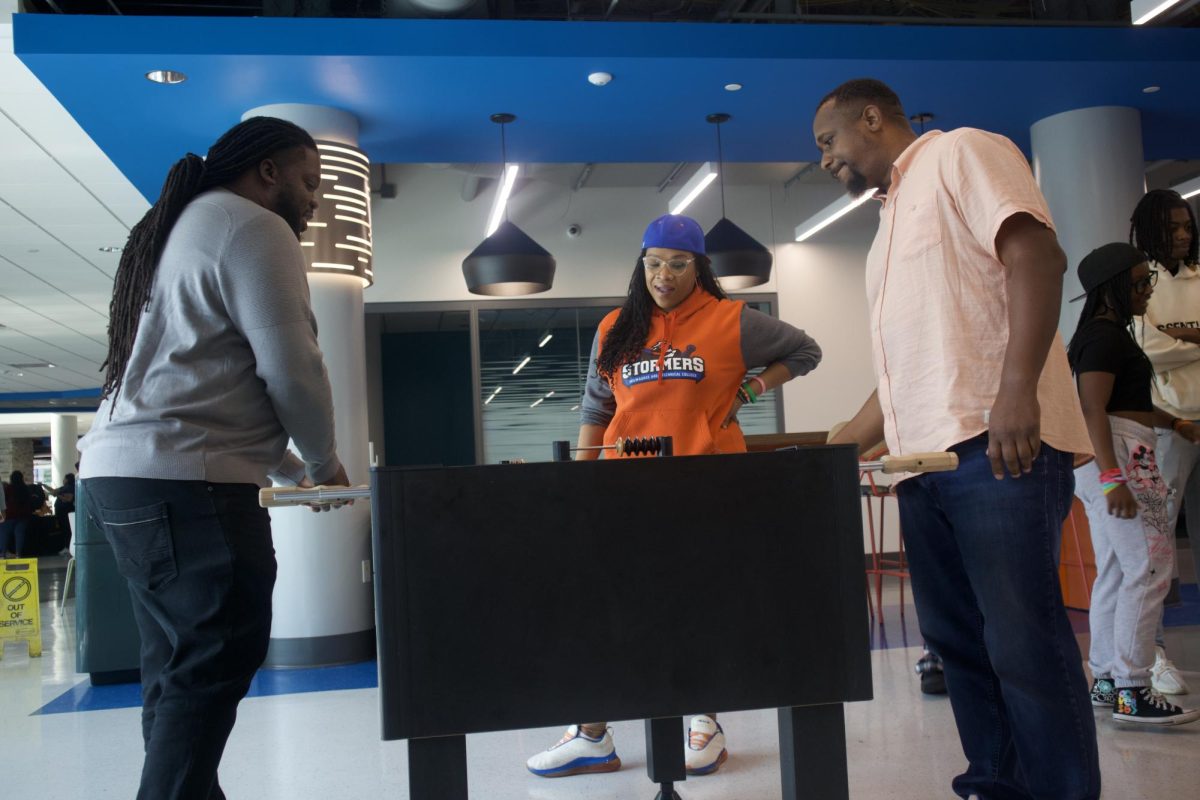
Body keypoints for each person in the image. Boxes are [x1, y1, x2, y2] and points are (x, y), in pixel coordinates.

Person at [815, 78, 1100, 799]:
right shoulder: (888, 226)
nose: (824, 160)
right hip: (924, 465)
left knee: (1022, 642)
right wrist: (847, 438)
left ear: (871, 118)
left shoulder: (961, 153)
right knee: (960, 647)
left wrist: (1015, 394)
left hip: (997, 446)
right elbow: (915, 359)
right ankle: (996, 784)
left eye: (828, 141)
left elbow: (1037, 257)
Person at [77, 116, 351, 800]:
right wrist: (323, 461)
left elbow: (208, 377)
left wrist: (285, 466)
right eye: (309, 181)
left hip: (124, 477)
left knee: (177, 673)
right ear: (268, 172)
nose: (315, 200)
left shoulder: (179, 226)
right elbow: (292, 368)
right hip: (188, 487)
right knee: (211, 666)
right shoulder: (257, 227)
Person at [524, 214, 822, 779]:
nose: (664, 274)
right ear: (641, 265)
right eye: (654, 262)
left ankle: (704, 723)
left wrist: (752, 388)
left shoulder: (732, 322)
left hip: (706, 490)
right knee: (606, 609)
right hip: (624, 489)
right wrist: (582, 483)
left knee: (696, 609)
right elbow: (596, 408)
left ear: (699, 267)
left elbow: (806, 351)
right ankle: (591, 734)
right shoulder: (615, 326)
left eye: (678, 264)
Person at [1067, 242, 1200, 726]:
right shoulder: (1103, 338)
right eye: (1140, 283)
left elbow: (1124, 401)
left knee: (1120, 571)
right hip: (1119, 456)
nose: (1147, 290)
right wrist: (1111, 478)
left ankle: (1106, 678)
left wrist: (1175, 423)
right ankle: (1133, 688)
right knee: (1149, 568)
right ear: (1113, 289)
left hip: (1123, 448)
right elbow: (1091, 409)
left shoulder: (1103, 335)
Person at [1130, 189, 1200, 695]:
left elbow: (1164, 343)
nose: (1182, 234)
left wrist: (1182, 339)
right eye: (1172, 227)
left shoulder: (1198, 276)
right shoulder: (1141, 282)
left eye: (1186, 225)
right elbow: (1146, 347)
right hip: (1169, 426)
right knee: (1156, 545)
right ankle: (1150, 653)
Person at [0, 471, 35, 558]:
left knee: (4, 534)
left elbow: (3, 501)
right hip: (23, 516)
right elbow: (29, 502)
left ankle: (3, 553)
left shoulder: (8, 488)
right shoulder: (25, 488)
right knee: (19, 534)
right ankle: (18, 554)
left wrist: (3, 513)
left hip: (10, 515)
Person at [43, 473, 76, 555]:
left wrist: (58, 495)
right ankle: (66, 547)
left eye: (64, 478)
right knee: (65, 529)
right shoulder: (64, 488)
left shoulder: (70, 488)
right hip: (62, 512)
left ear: (67, 480)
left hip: (65, 512)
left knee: (66, 530)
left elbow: (67, 499)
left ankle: (67, 547)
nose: (63, 480)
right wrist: (44, 485)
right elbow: (54, 491)